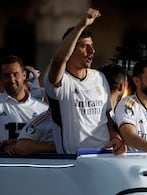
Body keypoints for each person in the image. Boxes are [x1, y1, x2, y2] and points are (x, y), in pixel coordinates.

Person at [44, 8, 126, 154]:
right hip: (76, 161)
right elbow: (58, 60)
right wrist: (81, 25)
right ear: (70, 50)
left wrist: (115, 136)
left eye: (92, 46)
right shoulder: (61, 81)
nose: (91, 51)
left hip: (105, 155)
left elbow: (106, 115)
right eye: (84, 46)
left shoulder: (99, 78)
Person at [0, 55, 49, 154]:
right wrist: (3, 147)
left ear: (24, 75)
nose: (12, 80)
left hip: (37, 166)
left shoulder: (43, 109)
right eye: (6, 75)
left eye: (15, 74)